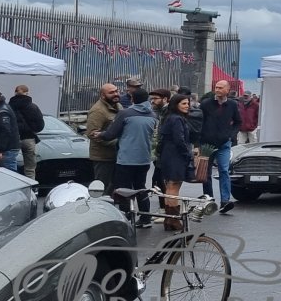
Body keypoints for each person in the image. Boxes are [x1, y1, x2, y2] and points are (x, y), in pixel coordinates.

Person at [100, 88, 157, 228]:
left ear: (132, 99)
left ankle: (126, 217)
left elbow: (110, 134)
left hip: (126, 158)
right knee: (141, 187)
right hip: (144, 158)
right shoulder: (153, 115)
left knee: (123, 189)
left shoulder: (125, 113)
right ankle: (145, 218)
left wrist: (100, 134)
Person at [199, 79, 242, 215]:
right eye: (216, 87)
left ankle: (225, 201)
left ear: (227, 90)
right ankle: (209, 199)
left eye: (220, 87)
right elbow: (199, 121)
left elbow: (238, 122)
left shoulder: (232, 105)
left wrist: (230, 135)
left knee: (224, 170)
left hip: (224, 143)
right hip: (207, 144)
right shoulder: (206, 104)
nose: (217, 90)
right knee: (206, 172)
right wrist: (199, 141)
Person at [157, 94, 195, 232]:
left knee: (170, 186)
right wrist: (188, 154)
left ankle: (169, 219)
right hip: (176, 155)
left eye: (188, 103)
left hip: (168, 154)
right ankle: (173, 219)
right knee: (174, 186)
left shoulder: (170, 117)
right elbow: (179, 139)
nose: (187, 106)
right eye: (184, 103)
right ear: (176, 104)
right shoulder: (177, 119)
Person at [85, 82, 121, 186]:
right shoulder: (97, 111)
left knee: (117, 187)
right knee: (103, 187)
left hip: (117, 155)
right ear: (103, 95)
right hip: (103, 158)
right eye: (111, 92)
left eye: (116, 91)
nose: (116, 94)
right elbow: (92, 134)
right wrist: (117, 142)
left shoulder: (118, 106)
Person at [10, 84, 44, 179]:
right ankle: (30, 185)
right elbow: (40, 124)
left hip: (13, 139)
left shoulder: (9, 107)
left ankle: (13, 183)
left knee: (10, 165)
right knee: (30, 167)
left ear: (15, 92)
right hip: (28, 138)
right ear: (27, 93)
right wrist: (32, 130)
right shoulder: (33, 107)